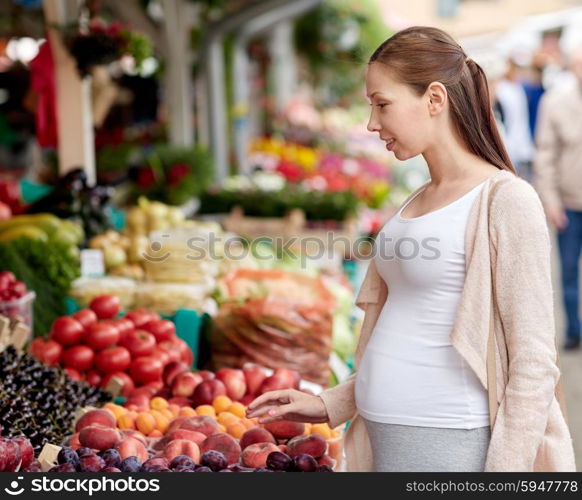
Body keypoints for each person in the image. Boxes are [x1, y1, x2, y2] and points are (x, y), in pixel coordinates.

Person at [247, 26, 576, 473]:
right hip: (385, 436)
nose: (371, 123)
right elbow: (408, 319)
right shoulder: (416, 200)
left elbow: (534, 364)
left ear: (434, 99)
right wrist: (329, 403)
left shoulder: (506, 201)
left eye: (382, 104)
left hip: (448, 441)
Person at [533, 47, 582, 351]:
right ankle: (574, 331)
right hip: (568, 204)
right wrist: (550, 200)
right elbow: (545, 155)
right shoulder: (555, 103)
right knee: (567, 271)